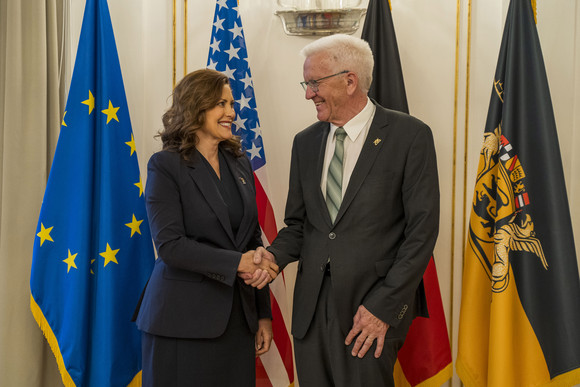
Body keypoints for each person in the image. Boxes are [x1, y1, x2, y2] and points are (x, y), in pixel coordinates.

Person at [243, 34, 439, 386]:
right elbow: (300, 225)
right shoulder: (305, 142)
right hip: (311, 311)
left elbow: (421, 232)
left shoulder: (409, 136)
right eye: (306, 83)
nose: (307, 93)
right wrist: (272, 259)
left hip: (371, 306)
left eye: (314, 82)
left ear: (350, 81)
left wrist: (383, 306)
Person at [134, 69, 279, 387]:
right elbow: (170, 245)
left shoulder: (238, 163)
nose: (231, 112)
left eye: (231, 103)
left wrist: (263, 315)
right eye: (220, 104)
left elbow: (251, 241)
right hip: (181, 323)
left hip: (237, 324)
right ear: (195, 107)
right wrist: (236, 263)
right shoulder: (166, 165)